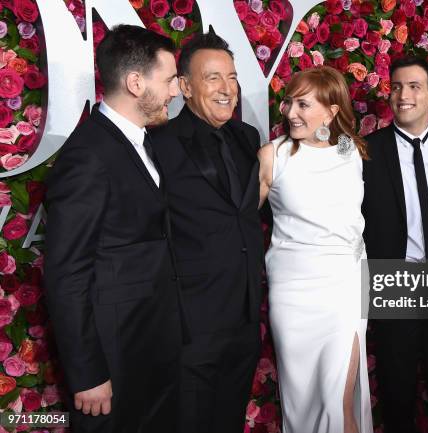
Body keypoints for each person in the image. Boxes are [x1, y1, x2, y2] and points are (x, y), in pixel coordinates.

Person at [44, 25, 183, 433]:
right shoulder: (88, 155)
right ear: (136, 82)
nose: (176, 91)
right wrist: (87, 372)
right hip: (113, 357)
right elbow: (65, 272)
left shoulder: (142, 141)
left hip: (151, 347)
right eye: (170, 79)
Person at [151, 30, 264, 433]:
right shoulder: (158, 143)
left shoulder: (248, 138)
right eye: (213, 77)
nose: (226, 88)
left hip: (246, 316)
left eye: (232, 77)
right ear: (184, 86)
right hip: (191, 322)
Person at [258, 66, 374, 433]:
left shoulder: (350, 151)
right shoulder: (273, 156)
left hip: (343, 288)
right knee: (303, 403)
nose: (291, 112)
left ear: (332, 110)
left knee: (338, 403)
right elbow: (238, 227)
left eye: (304, 104)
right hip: (293, 294)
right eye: (289, 102)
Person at [362, 56, 428, 433]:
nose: (403, 95)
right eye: (396, 87)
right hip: (396, 282)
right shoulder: (367, 151)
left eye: (414, 87)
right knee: (397, 390)